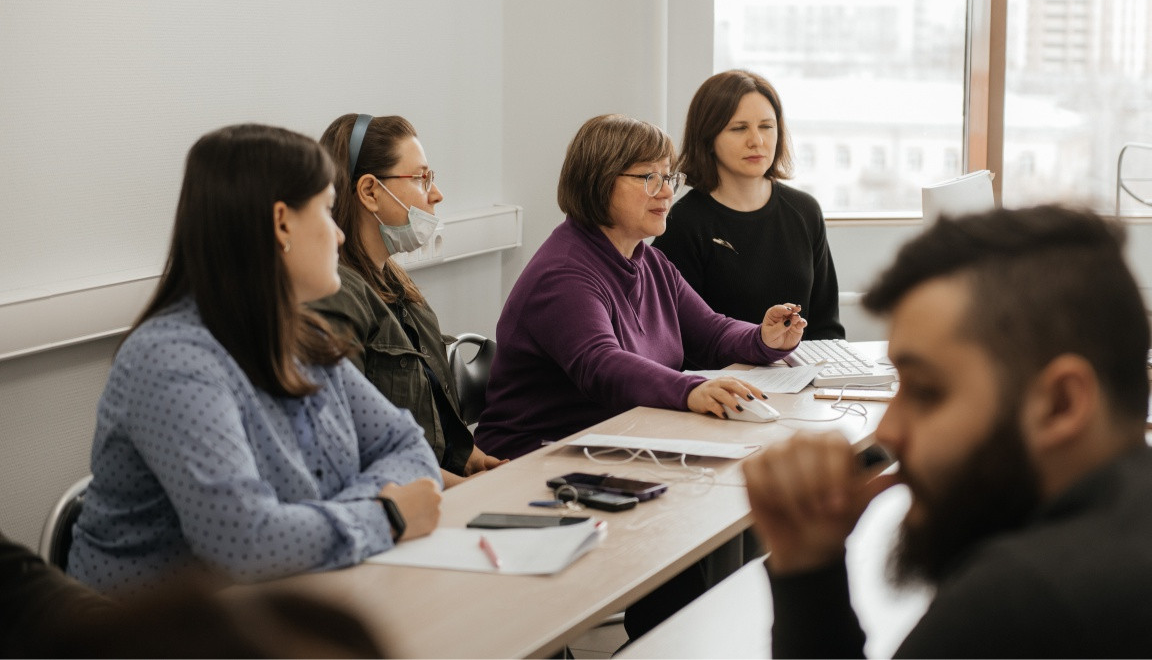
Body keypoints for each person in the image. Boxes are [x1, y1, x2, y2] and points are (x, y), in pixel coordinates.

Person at [743, 205, 1152, 658]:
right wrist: (808, 561)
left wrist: (806, 578)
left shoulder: (1023, 603)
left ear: (1061, 403)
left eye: (927, 391)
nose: (890, 430)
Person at [68, 124, 443, 595]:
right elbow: (245, 543)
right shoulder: (171, 362)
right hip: (148, 636)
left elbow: (408, 446)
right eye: (327, 212)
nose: (340, 236)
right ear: (282, 223)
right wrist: (386, 514)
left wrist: (319, 522)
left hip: (282, 607)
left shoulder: (303, 338)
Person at [474, 113, 806, 461]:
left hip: (618, 442)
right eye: (649, 177)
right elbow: (602, 365)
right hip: (534, 461)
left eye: (667, 177)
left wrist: (762, 338)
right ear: (598, 181)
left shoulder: (648, 260)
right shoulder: (563, 273)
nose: (665, 192)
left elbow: (711, 332)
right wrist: (691, 390)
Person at [310, 114, 504, 485]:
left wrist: (471, 461)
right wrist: (461, 488)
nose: (436, 193)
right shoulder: (337, 296)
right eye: (421, 178)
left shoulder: (397, 285)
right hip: (408, 497)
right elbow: (361, 448)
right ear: (369, 192)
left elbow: (428, 408)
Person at [654, 70, 844, 340]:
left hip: (803, 376)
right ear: (708, 138)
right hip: (722, 378)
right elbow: (677, 338)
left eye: (766, 126)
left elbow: (827, 328)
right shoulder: (682, 222)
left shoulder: (805, 211)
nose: (757, 140)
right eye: (739, 128)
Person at [2, 532, 384, 657]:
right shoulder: (177, 364)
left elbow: (25, 591)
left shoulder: (308, 358)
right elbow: (251, 537)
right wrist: (386, 511)